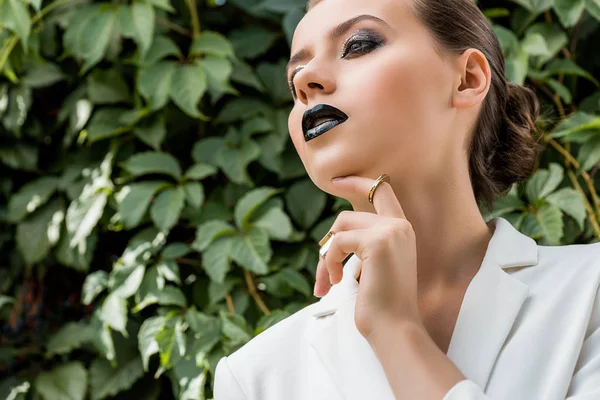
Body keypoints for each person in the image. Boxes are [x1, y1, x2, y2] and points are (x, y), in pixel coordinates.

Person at [213, 0, 600, 398]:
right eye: (295, 74)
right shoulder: (255, 376)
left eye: (358, 44)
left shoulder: (591, 291)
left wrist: (396, 331)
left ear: (467, 78)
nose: (305, 79)